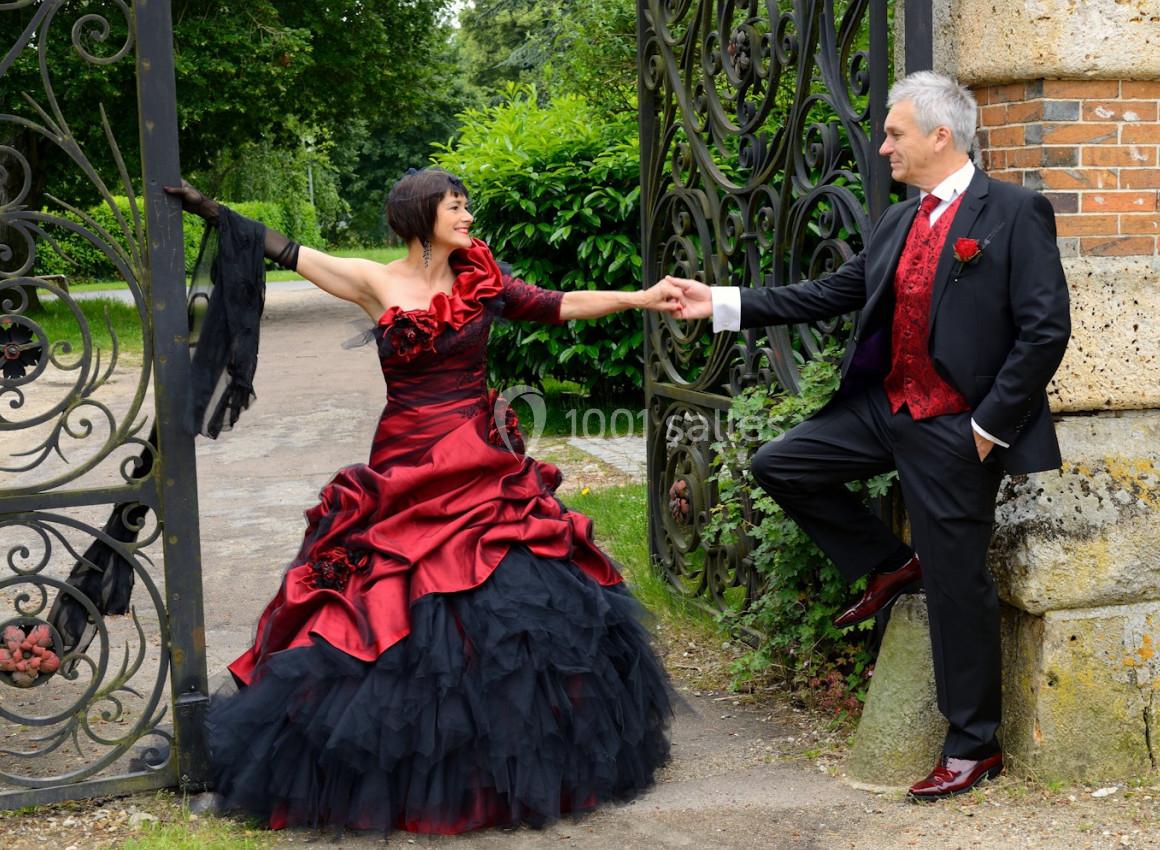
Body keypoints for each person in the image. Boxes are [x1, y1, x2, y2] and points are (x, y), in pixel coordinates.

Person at [165, 169, 682, 833]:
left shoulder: (482, 281)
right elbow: (290, 251)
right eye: (455, 206)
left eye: (467, 205)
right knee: (383, 599)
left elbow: (560, 303)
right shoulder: (375, 282)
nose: (467, 215)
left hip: (477, 460)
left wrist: (641, 297)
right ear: (419, 216)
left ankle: (508, 761)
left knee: (515, 597)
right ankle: (385, 767)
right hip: (406, 462)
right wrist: (216, 210)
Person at [665, 71, 1071, 800]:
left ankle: (973, 747)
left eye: (894, 134)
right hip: (887, 408)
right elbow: (830, 293)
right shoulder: (899, 219)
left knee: (959, 587)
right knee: (780, 464)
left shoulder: (1014, 213)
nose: (883, 146)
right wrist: (719, 303)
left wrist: (985, 429)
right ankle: (890, 563)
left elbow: (1045, 332)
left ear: (939, 137)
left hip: (956, 428)